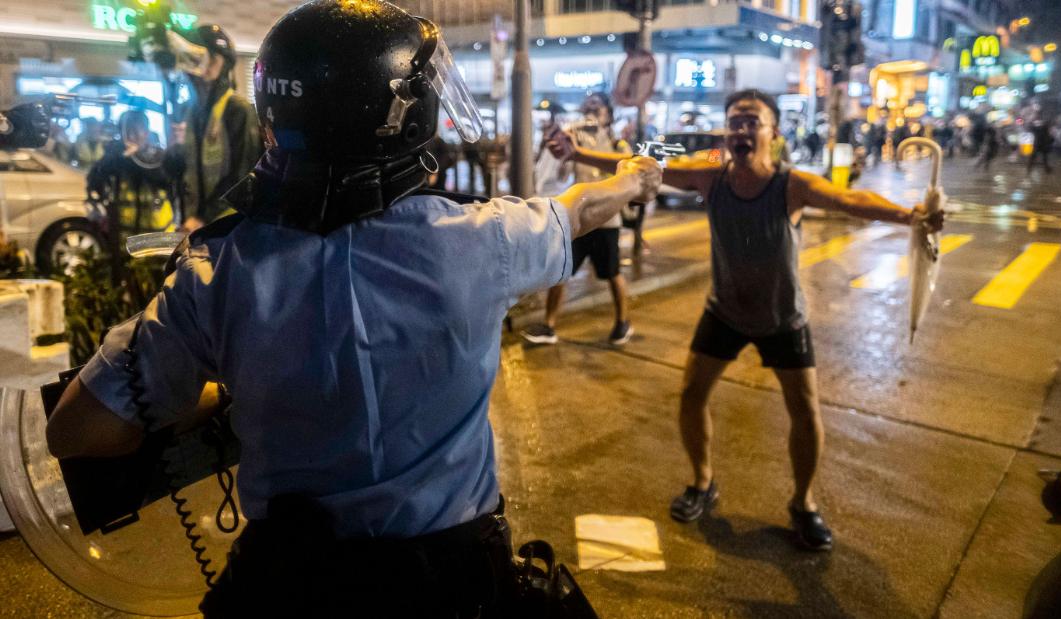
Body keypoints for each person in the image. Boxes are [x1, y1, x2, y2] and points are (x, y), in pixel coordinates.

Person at [44, 1, 662, 616]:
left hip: (288, 584)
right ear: (403, 115)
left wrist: (227, 395)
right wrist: (635, 177)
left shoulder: (214, 272)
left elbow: (75, 429)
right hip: (452, 584)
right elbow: (581, 210)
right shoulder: (483, 240)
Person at [547, 88, 943, 551]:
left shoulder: (791, 184)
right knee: (692, 394)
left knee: (805, 410)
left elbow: (849, 200)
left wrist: (911, 215)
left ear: (772, 132)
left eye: (752, 120)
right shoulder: (710, 178)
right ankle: (702, 482)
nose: (741, 129)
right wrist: (578, 153)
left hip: (783, 317)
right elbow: (642, 167)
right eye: (734, 121)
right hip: (725, 311)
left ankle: (804, 504)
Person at [521, 92, 636, 347]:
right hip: (580, 220)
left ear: (608, 113)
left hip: (606, 220)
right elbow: (561, 174)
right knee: (561, 271)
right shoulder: (575, 136)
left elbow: (624, 171)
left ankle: (622, 322)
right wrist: (563, 151)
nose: (592, 111)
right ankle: (549, 326)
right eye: (589, 106)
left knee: (612, 273)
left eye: (598, 107)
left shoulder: (617, 143)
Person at [159, 24, 263, 230]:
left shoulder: (237, 109)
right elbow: (183, 173)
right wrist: (173, 154)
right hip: (197, 226)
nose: (204, 67)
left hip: (229, 226)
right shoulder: (192, 113)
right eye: (198, 59)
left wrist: (202, 218)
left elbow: (242, 175)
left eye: (212, 59)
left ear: (225, 64)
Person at [86, 110, 179, 239]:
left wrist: (138, 158)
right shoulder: (115, 158)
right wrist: (117, 157)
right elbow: (94, 181)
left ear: (146, 132)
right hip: (124, 241)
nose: (131, 136)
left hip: (157, 240)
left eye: (137, 130)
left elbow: (165, 181)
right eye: (127, 131)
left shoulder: (159, 156)